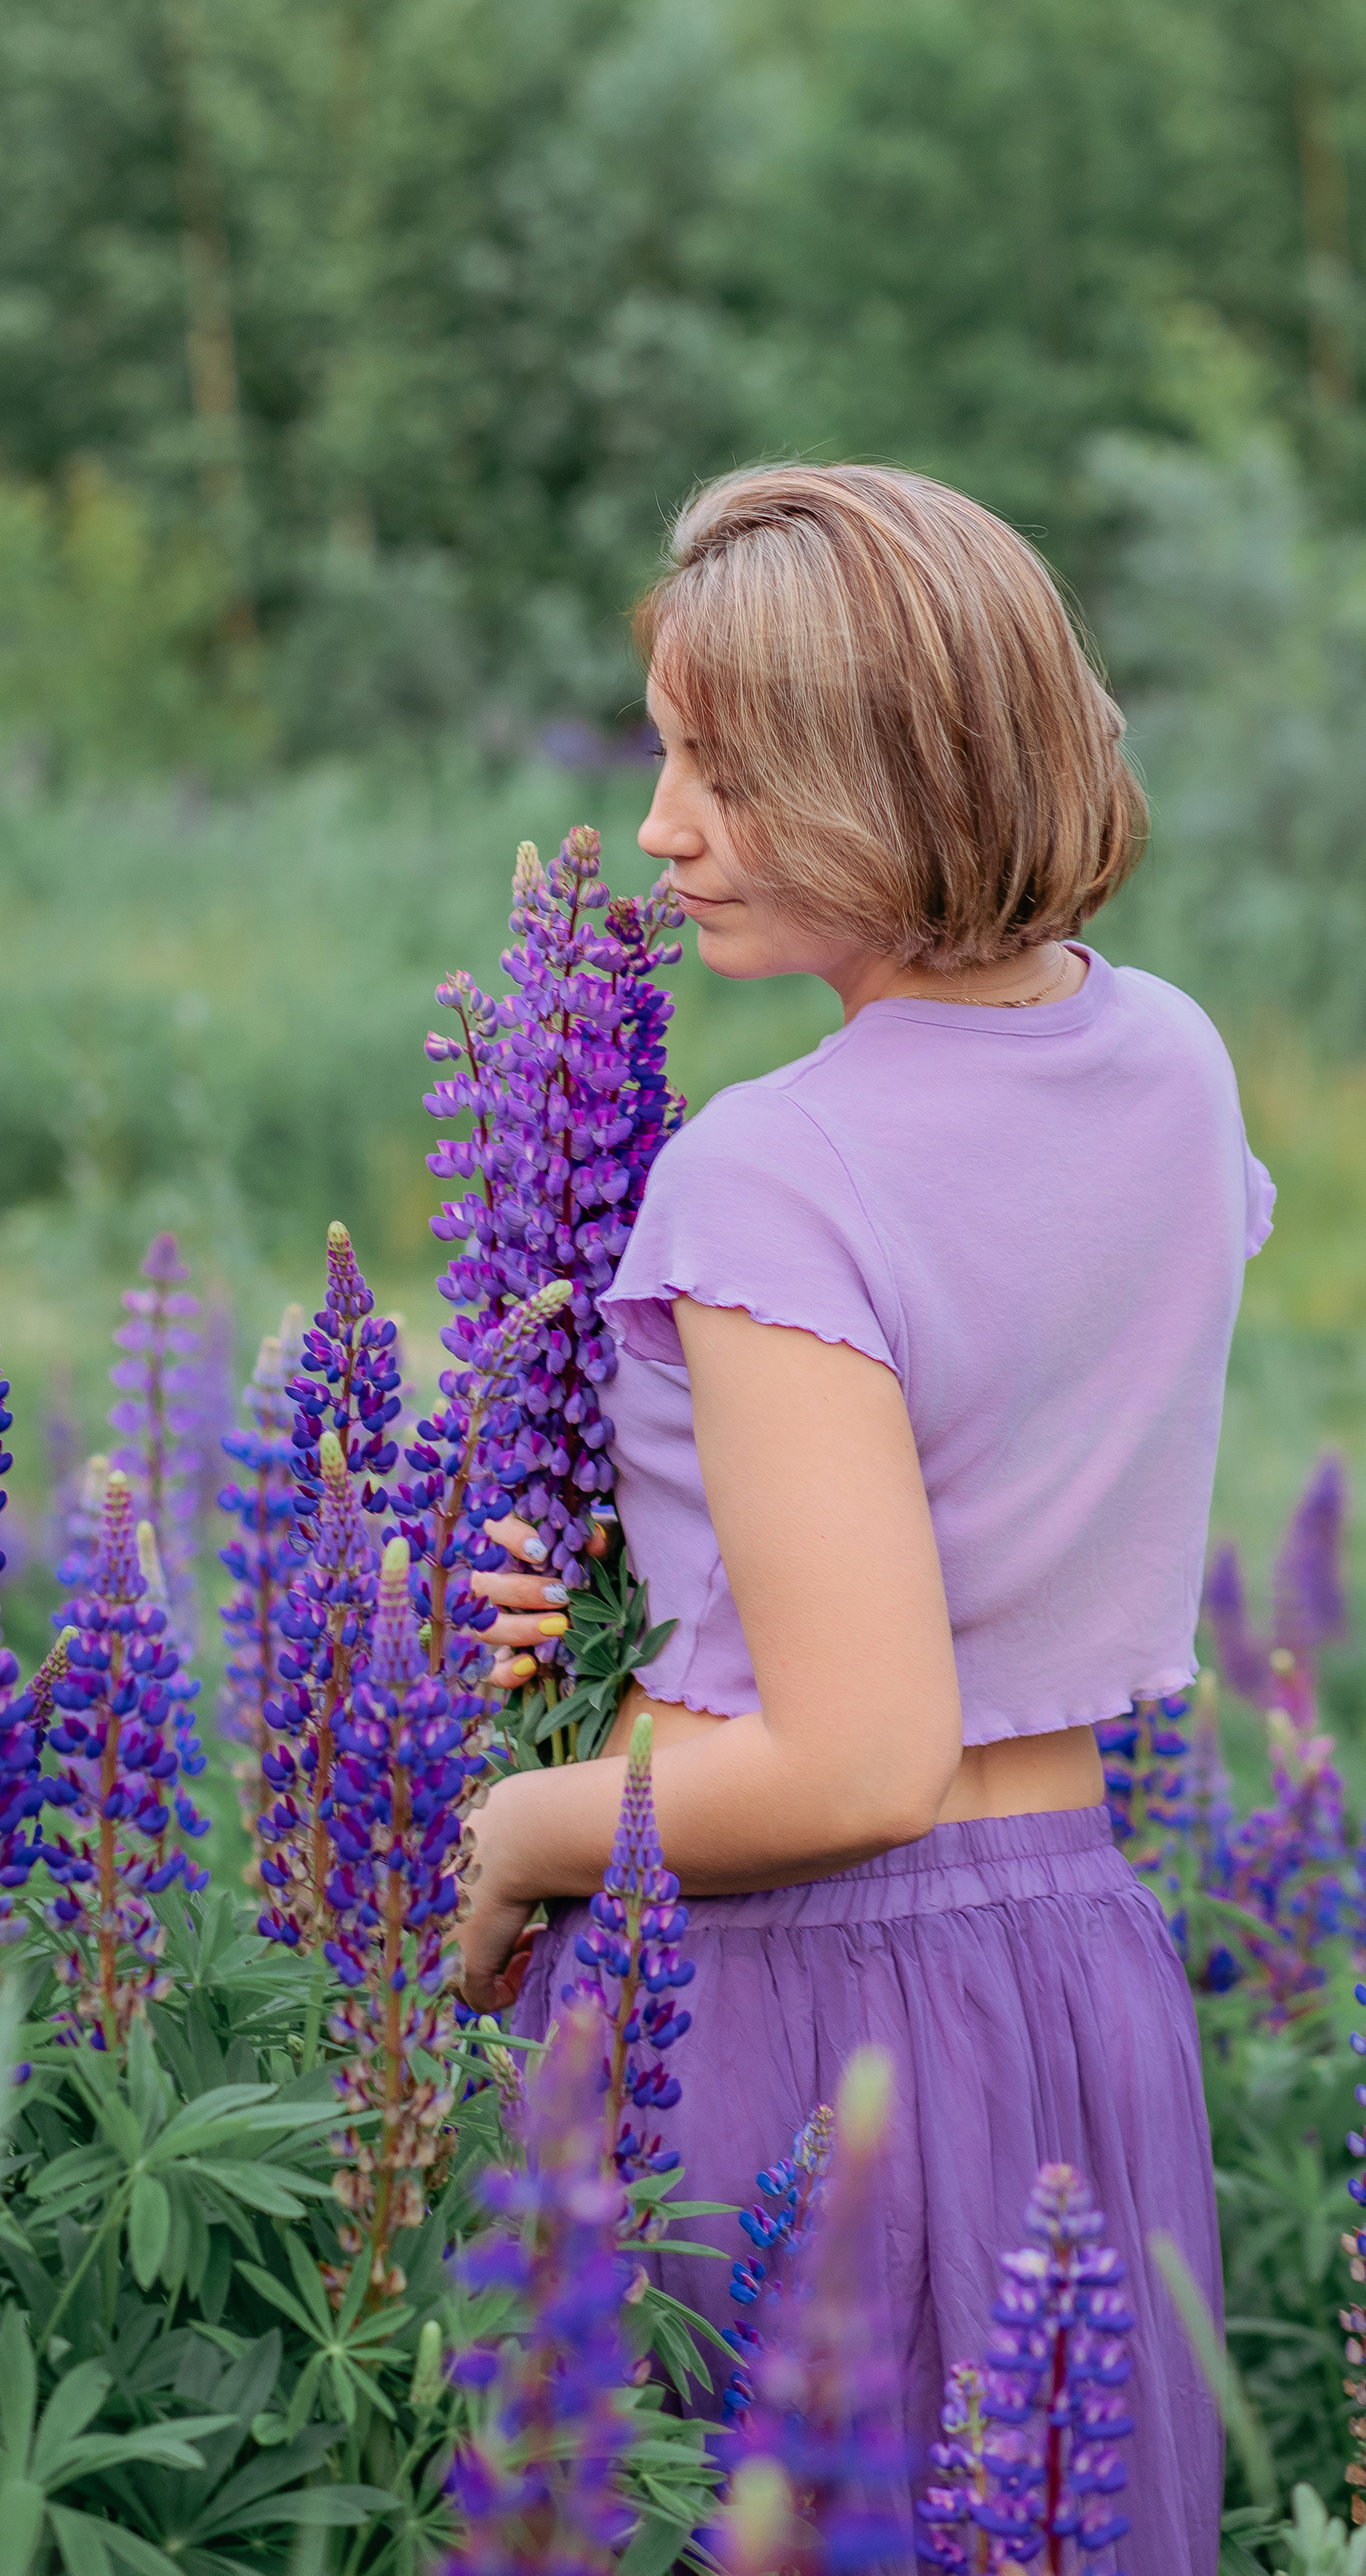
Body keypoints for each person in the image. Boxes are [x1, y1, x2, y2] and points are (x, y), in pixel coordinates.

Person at [456, 461, 1273, 2573]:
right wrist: (628, 1607)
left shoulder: (772, 1173)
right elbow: (965, 1504)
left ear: (892, 780)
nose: (661, 831)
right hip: (1080, 1983)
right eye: (665, 760)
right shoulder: (1174, 1063)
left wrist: (510, 1834)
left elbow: (860, 1756)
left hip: (790, 2004)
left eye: (726, 774)